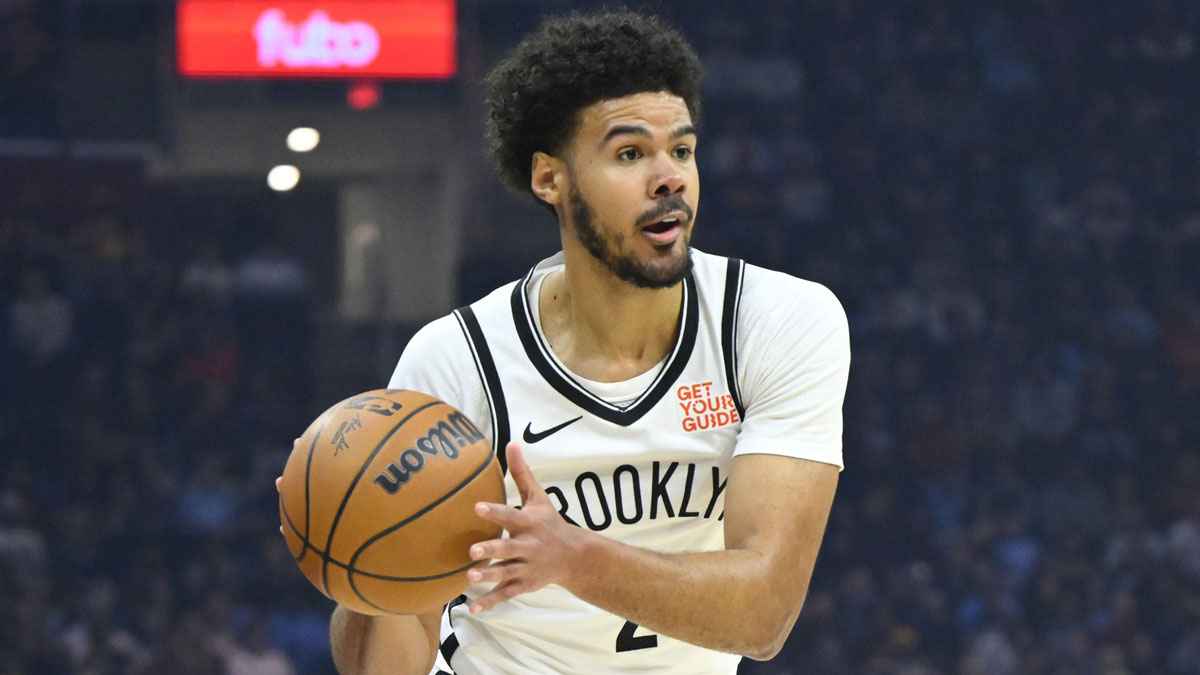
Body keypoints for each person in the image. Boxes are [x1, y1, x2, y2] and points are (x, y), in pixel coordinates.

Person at [328, 9, 850, 675]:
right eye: (630, 154)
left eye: (682, 150)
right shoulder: (457, 360)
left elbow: (764, 614)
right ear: (551, 178)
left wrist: (573, 556)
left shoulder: (777, 321)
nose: (669, 177)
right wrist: (366, 560)